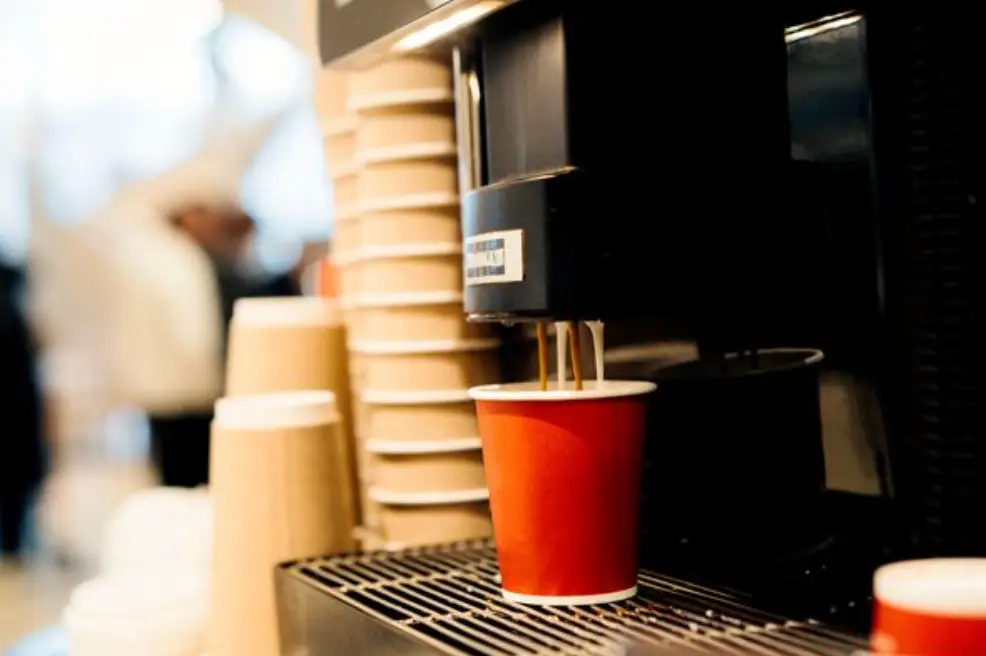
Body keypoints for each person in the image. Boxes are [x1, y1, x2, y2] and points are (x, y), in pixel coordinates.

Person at [0, 261, 44, 558]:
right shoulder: (10, 311)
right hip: (14, 409)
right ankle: (13, 540)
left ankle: (14, 539)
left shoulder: (12, 311)